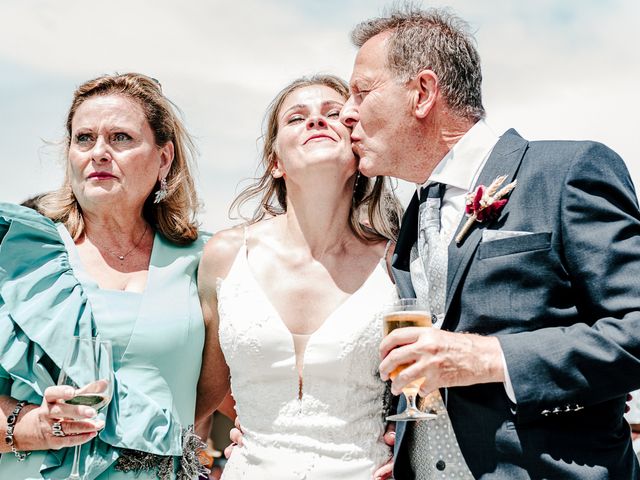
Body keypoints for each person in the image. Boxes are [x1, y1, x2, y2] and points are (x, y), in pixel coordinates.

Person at [338, 6, 640, 479]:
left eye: (362, 91)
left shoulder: (567, 173)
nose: (346, 112)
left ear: (423, 93)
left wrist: (489, 357)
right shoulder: (410, 222)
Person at [0, 73, 210, 479]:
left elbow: (243, 385)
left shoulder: (205, 260)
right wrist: (33, 427)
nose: (98, 152)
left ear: (164, 158)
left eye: (120, 138)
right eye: (84, 139)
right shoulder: (17, 257)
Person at [195, 74, 401, 479]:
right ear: (275, 162)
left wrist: (412, 452)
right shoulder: (225, 255)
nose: (316, 121)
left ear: (358, 147)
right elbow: (204, 397)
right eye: (296, 118)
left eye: (333, 114)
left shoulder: (396, 262)